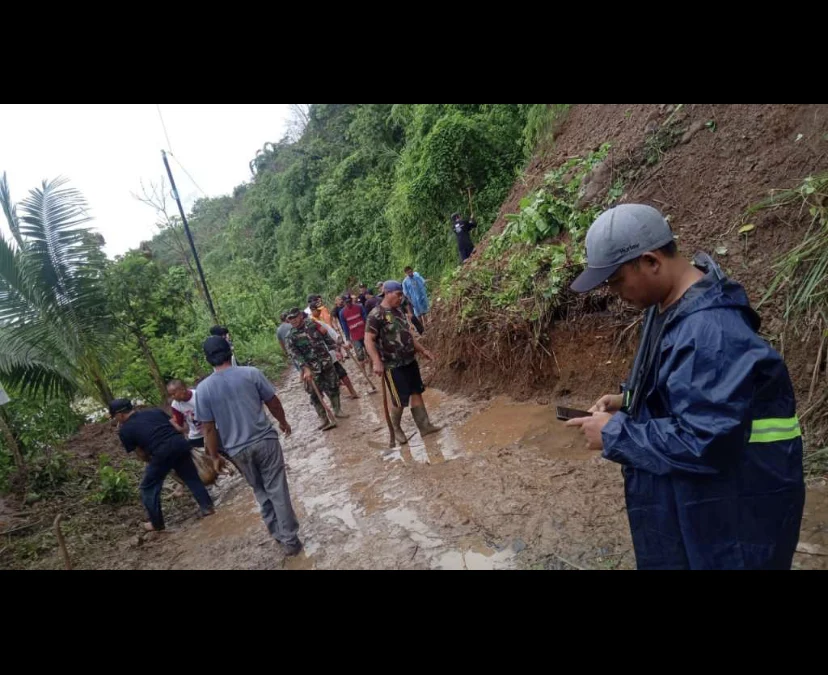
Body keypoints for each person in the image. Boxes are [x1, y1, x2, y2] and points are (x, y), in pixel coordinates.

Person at [566, 203, 805, 570]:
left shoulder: (711, 333)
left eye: (615, 280)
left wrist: (617, 434)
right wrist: (628, 400)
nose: (614, 292)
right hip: (697, 508)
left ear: (651, 262)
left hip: (732, 516)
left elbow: (706, 440)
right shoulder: (665, 307)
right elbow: (684, 391)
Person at [195, 336, 303, 556]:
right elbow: (273, 401)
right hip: (265, 440)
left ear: (208, 360)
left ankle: (278, 535)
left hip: (237, 450)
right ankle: (290, 540)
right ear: (230, 351)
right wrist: (282, 422)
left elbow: (208, 429)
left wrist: (214, 456)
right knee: (277, 489)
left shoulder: (203, 389)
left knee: (261, 492)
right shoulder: (251, 373)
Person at [110, 398, 215, 533]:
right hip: (180, 444)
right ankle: (207, 507)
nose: (116, 420)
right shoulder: (154, 412)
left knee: (148, 487)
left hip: (161, 452)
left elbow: (140, 453)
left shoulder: (125, 430)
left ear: (120, 415)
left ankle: (156, 524)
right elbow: (176, 426)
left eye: (115, 417)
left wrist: (153, 462)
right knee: (191, 477)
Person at [365, 280, 441, 443]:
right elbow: (368, 340)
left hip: (409, 360)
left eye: (401, 295)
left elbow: (408, 336)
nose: (400, 298)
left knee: (416, 392)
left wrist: (423, 350)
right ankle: (397, 429)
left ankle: (425, 426)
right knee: (399, 400)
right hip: (392, 365)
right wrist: (376, 361)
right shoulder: (375, 315)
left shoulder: (398, 311)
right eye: (398, 294)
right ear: (387, 293)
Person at [284, 307, 348, 430]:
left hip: (325, 362)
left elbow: (327, 339)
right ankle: (324, 419)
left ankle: (337, 410)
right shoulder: (290, 337)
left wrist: (338, 347)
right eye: (290, 319)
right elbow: (295, 355)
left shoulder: (313, 324)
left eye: (295, 317)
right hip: (311, 369)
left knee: (333, 386)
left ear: (300, 316)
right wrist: (305, 368)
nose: (293, 320)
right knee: (314, 394)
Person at [309, 304, 360, 399]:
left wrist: (341, 343)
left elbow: (332, 333)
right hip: (319, 360)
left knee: (340, 373)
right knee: (334, 376)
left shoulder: (318, 324)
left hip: (327, 356)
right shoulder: (315, 325)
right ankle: (342, 397)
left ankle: (351, 393)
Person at [167, 379, 204, 448]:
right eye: (170, 395)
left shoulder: (198, 395)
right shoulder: (175, 405)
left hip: (212, 430)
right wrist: (174, 423)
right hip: (196, 436)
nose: (172, 397)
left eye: (174, 394)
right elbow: (181, 425)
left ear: (183, 389)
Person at [339, 293, 369, 362]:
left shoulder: (359, 307)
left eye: (349, 301)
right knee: (360, 356)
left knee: (369, 351)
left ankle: (371, 369)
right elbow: (345, 327)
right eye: (346, 302)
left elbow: (366, 319)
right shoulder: (342, 313)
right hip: (355, 336)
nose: (348, 303)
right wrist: (348, 339)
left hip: (364, 333)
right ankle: (365, 371)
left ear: (351, 300)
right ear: (343, 302)